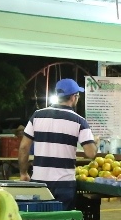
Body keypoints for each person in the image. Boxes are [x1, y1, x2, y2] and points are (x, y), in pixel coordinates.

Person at [18, 79, 98, 209]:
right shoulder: (80, 121)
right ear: (73, 97)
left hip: (39, 182)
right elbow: (90, 153)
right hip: (64, 184)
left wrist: (23, 172)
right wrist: (95, 143)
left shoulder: (37, 116)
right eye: (77, 95)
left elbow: (24, 147)